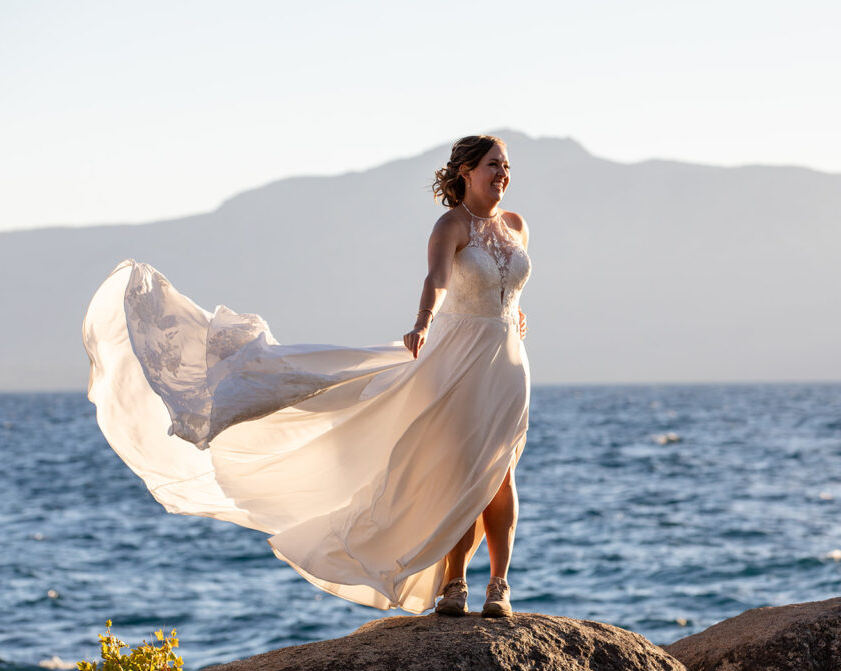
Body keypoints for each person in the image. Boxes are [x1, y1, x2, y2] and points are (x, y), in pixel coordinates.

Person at [82, 134, 530, 617]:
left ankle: (499, 586)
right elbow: (438, 280)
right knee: (465, 471)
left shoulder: (517, 226)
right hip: (458, 362)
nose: (502, 174)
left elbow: (509, 285)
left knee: (500, 472)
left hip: (507, 366)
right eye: (492, 165)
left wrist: (515, 314)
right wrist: (422, 320)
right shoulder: (450, 226)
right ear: (465, 171)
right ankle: (456, 584)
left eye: (506, 166)